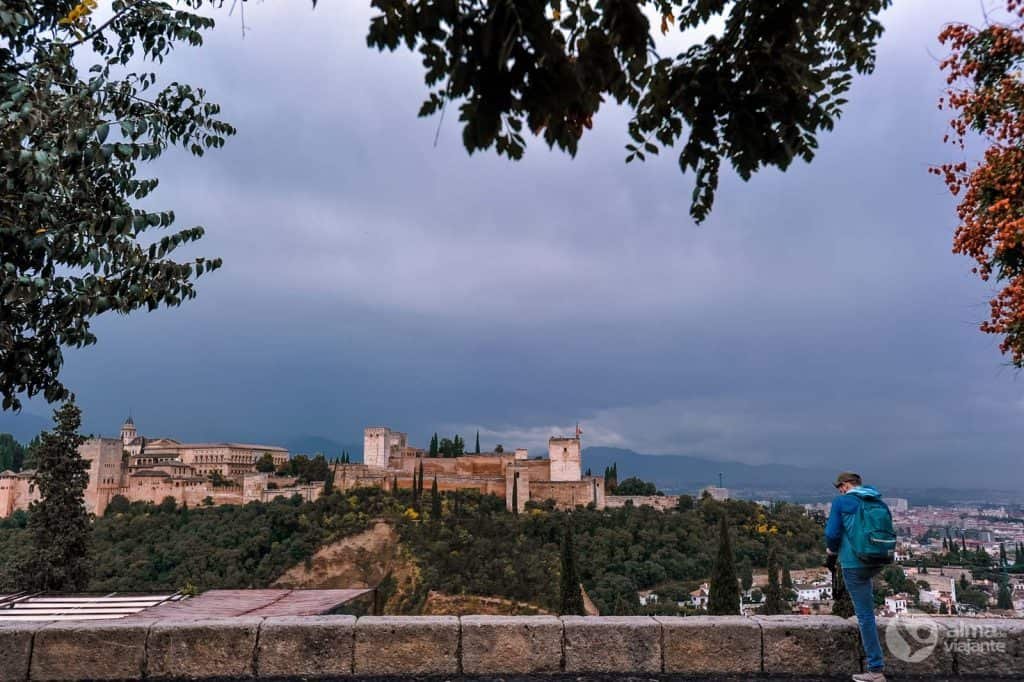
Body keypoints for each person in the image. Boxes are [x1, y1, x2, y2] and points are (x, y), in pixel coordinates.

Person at [825, 471, 888, 682]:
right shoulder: (875, 499)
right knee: (867, 606)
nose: (839, 490)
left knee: (865, 615)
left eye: (840, 486)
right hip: (878, 559)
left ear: (846, 485)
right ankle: (875, 665)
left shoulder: (842, 502)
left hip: (854, 562)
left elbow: (832, 534)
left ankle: (875, 669)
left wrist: (831, 552)